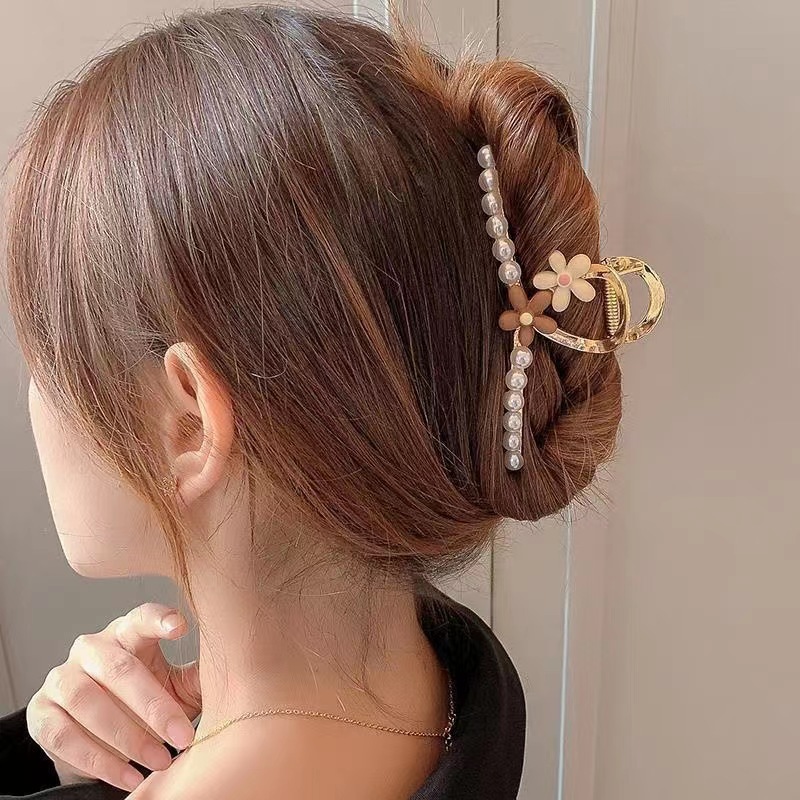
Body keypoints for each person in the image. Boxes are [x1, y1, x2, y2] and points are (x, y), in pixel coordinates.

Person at [0, 4, 627, 798]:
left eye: (48, 358)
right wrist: (65, 760)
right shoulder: (448, 682)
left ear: (188, 426)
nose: (35, 395)